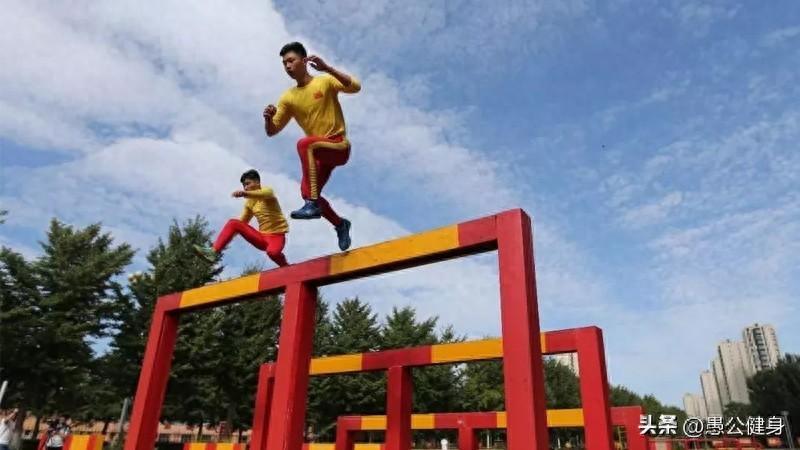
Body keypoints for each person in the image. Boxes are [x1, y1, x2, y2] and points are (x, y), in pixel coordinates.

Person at [263, 41, 360, 251]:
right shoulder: (288, 98)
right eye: (284, 63)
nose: (287, 66)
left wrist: (328, 69)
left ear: (304, 60)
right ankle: (340, 224)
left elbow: (355, 87)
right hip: (317, 154)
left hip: (338, 146)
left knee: (305, 144)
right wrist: (268, 119)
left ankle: (313, 204)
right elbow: (272, 131)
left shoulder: (324, 82)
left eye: (291, 61)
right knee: (306, 193)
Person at [194, 169, 290, 267]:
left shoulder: (268, 192)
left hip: (276, 236)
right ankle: (213, 251)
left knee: (272, 253)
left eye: (248, 184)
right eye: (244, 186)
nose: (246, 188)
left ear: (257, 182)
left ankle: (286, 267)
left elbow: (263, 194)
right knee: (233, 223)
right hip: (262, 238)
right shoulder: (249, 203)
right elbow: (241, 223)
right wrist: (225, 239)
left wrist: (245, 194)